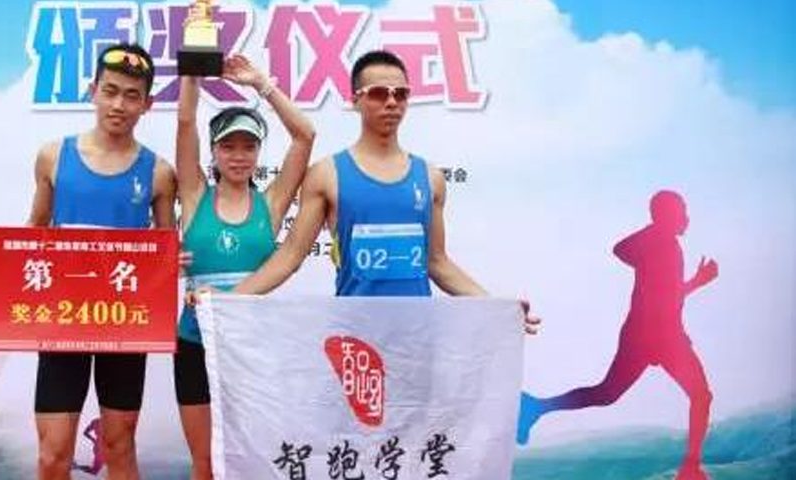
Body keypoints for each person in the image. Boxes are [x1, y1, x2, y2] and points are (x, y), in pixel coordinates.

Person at [228, 49, 540, 337]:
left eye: (400, 94)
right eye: (378, 93)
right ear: (355, 100)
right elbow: (290, 257)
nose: (391, 102)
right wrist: (225, 302)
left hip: (416, 340)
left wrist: (496, 309)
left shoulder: (430, 178)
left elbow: (438, 262)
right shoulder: (326, 174)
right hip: (356, 342)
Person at [27, 42, 176, 480]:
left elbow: (165, 250)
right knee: (52, 453)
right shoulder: (53, 156)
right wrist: (1, 256)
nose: (118, 105)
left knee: (120, 445)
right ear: (93, 91)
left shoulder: (158, 172)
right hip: (63, 319)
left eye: (131, 96)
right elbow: (35, 229)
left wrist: (175, 258)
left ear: (147, 104)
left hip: (124, 323)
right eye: (110, 91)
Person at [175, 54, 315, 480]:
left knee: (254, 457)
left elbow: (305, 136)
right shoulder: (195, 195)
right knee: (204, 461)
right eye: (228, 146)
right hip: (194, 344)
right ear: (214, 152)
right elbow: (186, 122)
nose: (239, 156)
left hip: (253, 347)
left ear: (258, 153)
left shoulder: (270, 204)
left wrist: (261, 84)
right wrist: (193, 69)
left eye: (249, 147)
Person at [517, 190, 717, 480]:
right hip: (658, 337)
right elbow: (623, 251)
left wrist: (692, 279)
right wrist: (696, 278)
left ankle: (535, 407)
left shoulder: (667, 245)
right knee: (699, 396)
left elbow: (665, 291)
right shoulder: (663, 243)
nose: (686, 217)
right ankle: (690, 469)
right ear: (668, 215)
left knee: (607, 393)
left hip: (651, 335)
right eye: (681, 211)